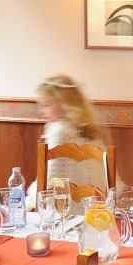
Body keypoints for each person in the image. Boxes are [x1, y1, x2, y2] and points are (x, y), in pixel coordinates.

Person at [26, 74, 111, 208]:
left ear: (64, 103)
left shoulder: (58, 130)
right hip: (95, 206)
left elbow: (48, 179)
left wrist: (27, 202)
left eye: (46, 105)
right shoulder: (86, 129)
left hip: (66, 209)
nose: (41, 112)